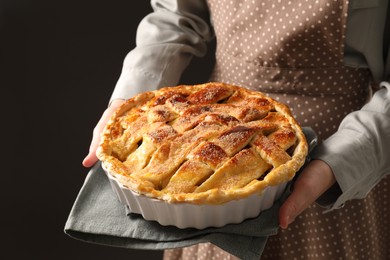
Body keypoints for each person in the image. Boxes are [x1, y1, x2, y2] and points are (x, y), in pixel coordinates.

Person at [82, 0, 390, 259]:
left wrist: (335, 164)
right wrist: (128, 104)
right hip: (205, 153)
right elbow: (175, 17)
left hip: (341, 160)